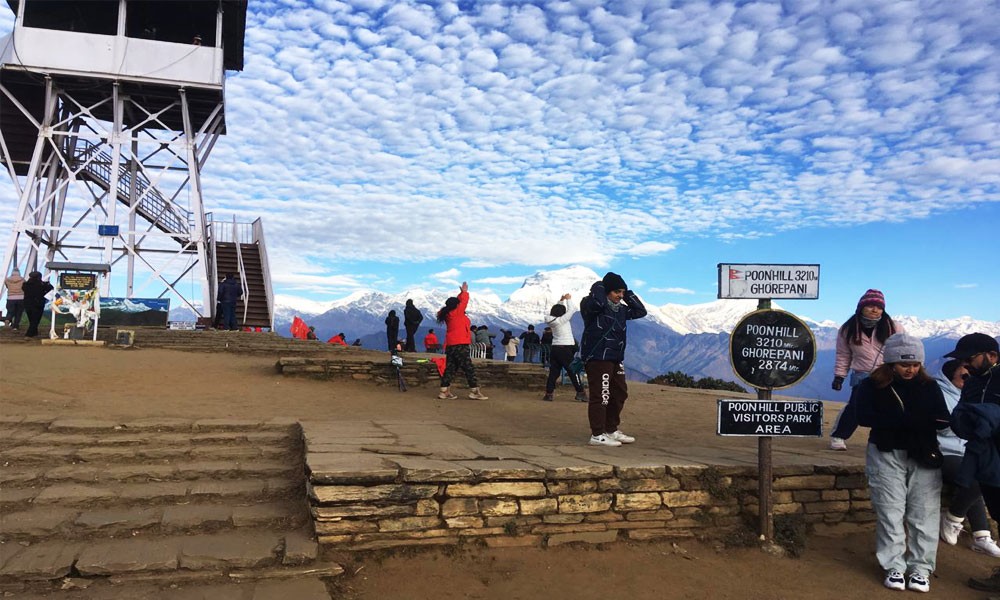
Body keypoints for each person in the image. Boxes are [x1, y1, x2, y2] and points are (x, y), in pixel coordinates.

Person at [854, 333, 949, 593]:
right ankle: (894, 566)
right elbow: (862, 415)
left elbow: (943, 419)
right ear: (891, 363)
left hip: (923, 455)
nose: (910, 369)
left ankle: (920, 569)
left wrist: (899, 421)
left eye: (915, 364)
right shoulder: (872, 385)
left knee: (925, 513)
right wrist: (914, 422)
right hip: (886, 452)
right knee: (890, 510)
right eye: (904, 364)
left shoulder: (930, 387)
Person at [945, 334, 1000, 593]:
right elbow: (962, 417)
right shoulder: (972, 385)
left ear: (992, 355)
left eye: (971, 358)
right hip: (984, 459)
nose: (966, 364)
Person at [937, 358, 1000, 556]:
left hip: (967, 451)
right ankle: (952, 518)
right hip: (943, 450)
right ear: (950, 374)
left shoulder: (973, 393)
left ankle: (982, 536)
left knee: (984, 474)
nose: (967, 376)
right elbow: (940, 425)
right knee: (975, 478)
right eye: (963, 372)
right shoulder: (938, 393)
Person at [829, 289, 903, 451]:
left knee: (891, 407)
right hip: (862, 375)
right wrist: (839, 376)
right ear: (861, 307)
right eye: (870, 306)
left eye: (879, 307)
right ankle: (839, 435)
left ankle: (887, 438)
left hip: (889, 374)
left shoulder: (893, 327)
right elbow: (843, 354)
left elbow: (904, 350)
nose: (875, 310)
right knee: (856, 407)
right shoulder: (848, 329)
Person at [580, 272, 647, 447]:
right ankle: (597, 434)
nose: (620, 296)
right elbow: (597, 302)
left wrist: (628, 292)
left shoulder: (622, 310)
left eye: (623, 292)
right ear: (606, 290)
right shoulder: (590, 306)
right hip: (597, 358)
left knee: (619, 393)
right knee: (601, 395)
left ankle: (610, 429)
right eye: (617, 291)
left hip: (615, 357)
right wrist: (599, 285)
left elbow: (641, 311)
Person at [435, 282, 488, 400]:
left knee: (451, 367)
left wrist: (460, 294)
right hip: (460, 344)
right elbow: (463, 302)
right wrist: (464, 292)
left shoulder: (448, 314)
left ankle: (444, 391)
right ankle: (474, 390)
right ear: (457, 306)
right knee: (468, 367)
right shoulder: (457, 313)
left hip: (451, 344)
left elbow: (458, 303)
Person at [543, 294, 587, 402]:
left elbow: (558, 309)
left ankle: (549, 394)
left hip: (555, 349)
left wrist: (561, 301)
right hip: (565, 349)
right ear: (562, 314)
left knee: (554, 372)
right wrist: (568, 299)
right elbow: (572, 310)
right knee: (573, 371)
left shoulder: (552, 321)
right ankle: (580, 392)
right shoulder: (562, 320)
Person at [21, 271, 53, 338]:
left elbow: (24, 289)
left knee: (31, 319)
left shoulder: (25, 285)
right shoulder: (42, 285)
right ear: (39, 277)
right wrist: (47, 284)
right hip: (38, 304)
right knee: (36, 320)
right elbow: (50, 288)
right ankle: (29, 334)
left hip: (27, 304)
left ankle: (34, 332)